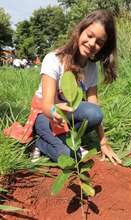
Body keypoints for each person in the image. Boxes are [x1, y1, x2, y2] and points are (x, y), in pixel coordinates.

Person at [4, 10, 121, 165]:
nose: (92, 43)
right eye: (90, 35)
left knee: (95, 114)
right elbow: (46, 105)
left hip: (69, 115)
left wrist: (103, 143)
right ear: (80, 31)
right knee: (72, 159)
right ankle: (37, 142)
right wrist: (54, 113)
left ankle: (63, 140)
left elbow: (94, 106)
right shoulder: (53, 59)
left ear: (103, 47)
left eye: (99, 42)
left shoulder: (91, 68)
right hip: (45, 115)